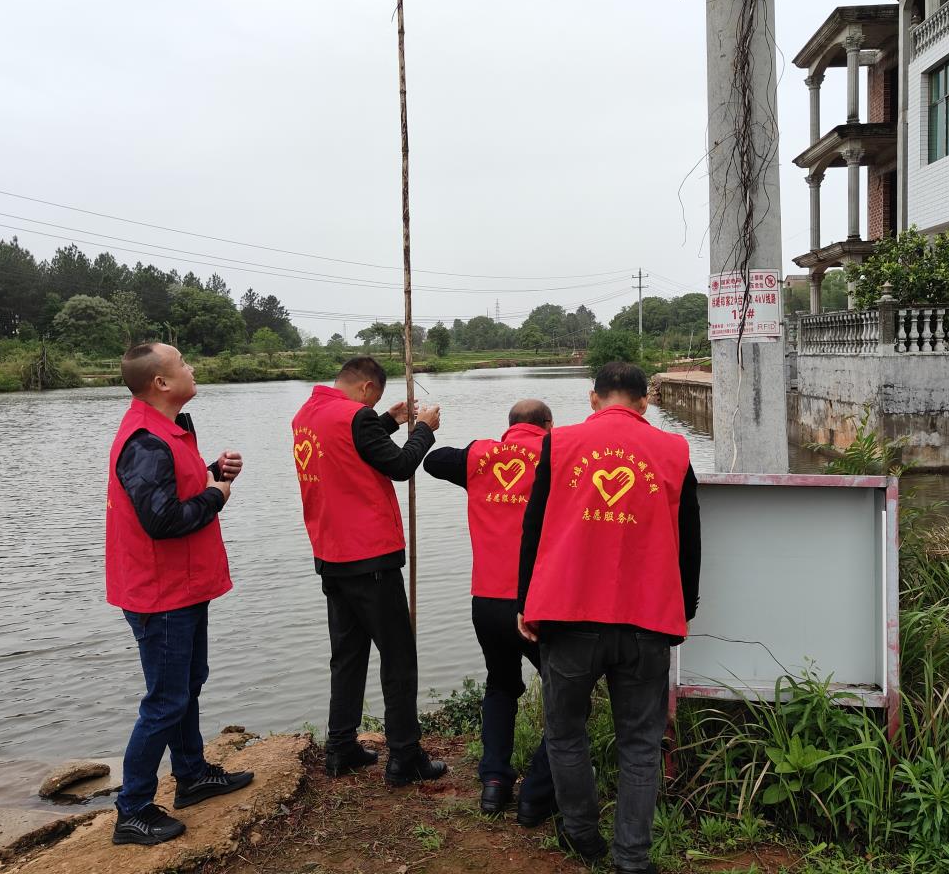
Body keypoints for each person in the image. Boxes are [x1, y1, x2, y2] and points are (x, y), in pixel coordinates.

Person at [517, 362, 701, 874]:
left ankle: (581, 835)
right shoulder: (673, 451)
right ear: (646, 402)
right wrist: (684, 607)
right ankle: (632, 857)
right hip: (646, 620)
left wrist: (524, 603)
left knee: (565, 732)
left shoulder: (560, 445)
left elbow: (533, 526)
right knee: (641, 745)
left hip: (569, 614)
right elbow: (690, 537)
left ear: (593, 398)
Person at [105, 343, 254, 847]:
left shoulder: (168, 431)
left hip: (182, 586)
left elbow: (171, 491)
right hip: (161, 593)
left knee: (188, 683)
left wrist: (211, 471)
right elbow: (163, 519)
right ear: (161, 384)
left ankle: (191, 775)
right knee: (165, 700)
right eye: (183, 363)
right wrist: (217, 495)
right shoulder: (145, 440)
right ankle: (133, 810)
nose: (192, 366)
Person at [291, 356, 447, 785]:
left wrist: (389, 420)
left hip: (331, 554)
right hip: (369, 555)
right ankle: (404, 756)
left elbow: (355, 442)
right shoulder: (355, 417)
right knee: (398, 657)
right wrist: (425, 431)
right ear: (365, 389)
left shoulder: (308, 414)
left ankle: (340, 747)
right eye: (374, 401)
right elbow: (397, 466)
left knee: (348, 654)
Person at [422, 399, 557, 824]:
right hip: (536, 603)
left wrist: (490, 450)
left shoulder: (481, 456)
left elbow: (433, 461)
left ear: (510, 426)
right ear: (548, 425)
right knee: (566, 698)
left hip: (486, 602)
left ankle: (495, 783)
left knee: (501, 685)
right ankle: (537, 791)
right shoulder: (558, 454)